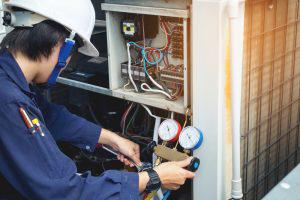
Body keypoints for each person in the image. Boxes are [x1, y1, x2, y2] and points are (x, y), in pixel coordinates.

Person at [0, 0, 195, 199]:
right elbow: (64, 190)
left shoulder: (10, 81)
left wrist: (112, 139)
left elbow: (51, 117)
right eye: (73, 53)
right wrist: (152, 178)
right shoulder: (10, 102)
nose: (67, 65)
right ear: (62, 45)